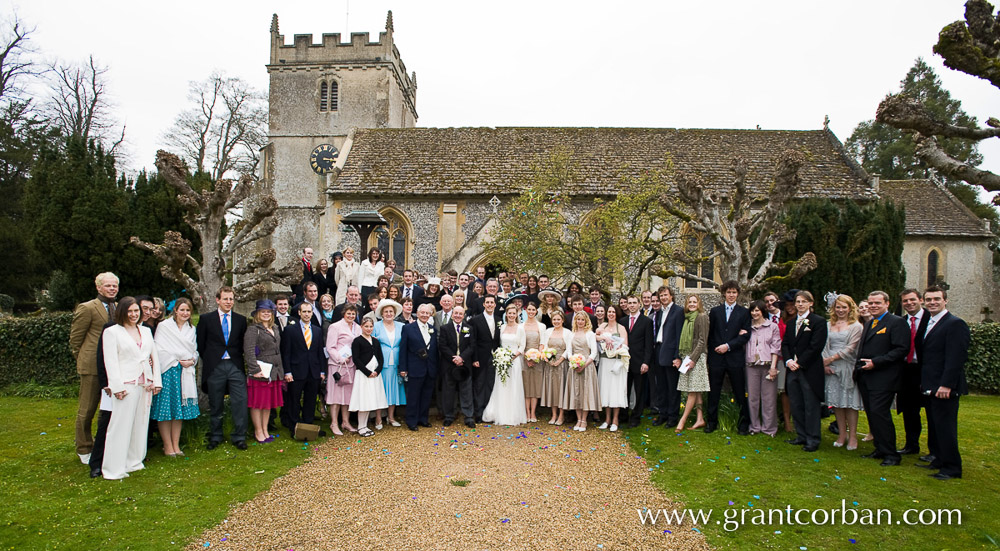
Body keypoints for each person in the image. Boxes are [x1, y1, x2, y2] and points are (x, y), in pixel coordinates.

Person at [101, 297, 162, 479]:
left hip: (145, 384)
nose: (134, 315)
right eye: (130, 311)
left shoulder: (146, 331)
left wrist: (156, 381)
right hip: (126, 384)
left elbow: (154, 357)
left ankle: (134, 461)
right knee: (120, 425)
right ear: (122, 312)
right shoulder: (113, 332)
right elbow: (110, 361)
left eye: (136, 311)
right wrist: (116, 386)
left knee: (140, 424)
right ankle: (113, 468)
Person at [916, 286, 969, 480]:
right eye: (929, 299)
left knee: (946, 427)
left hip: (944, 387)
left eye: (936, 299)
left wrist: (947, 385)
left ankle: (952, 467)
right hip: (930, 385)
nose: (932, 302)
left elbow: (955, 357)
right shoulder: (929, 322)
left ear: (945, 300)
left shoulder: (955, 324)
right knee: (935, 425)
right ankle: (938, 459)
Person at [854, 290, 909, 466]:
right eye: (871, 303)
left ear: (887, 303)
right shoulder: (871, 323)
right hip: (867, 376)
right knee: (872, 414)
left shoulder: (896, 322)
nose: (873, 306)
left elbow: (901, 350)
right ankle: (880, 448)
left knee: (880, 414)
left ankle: (892, 454)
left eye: (877, 303)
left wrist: (876, 363)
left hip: (884, 377)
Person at [69, 272, 118, 465]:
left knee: (109, 410)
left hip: (113, 366)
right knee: (87, 408)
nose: (112, 289)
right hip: (91, 366)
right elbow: (76, 339)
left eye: (114, 285)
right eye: (108, 286)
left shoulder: (118, 307)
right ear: (98, 287)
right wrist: (83, 360)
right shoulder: (88, 308)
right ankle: (84, 447)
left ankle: (104, 445)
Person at [196, 286, 249, 450]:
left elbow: (242, 343)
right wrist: (212, 359)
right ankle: (216, 435)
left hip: (235, 365)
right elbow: (201, 344)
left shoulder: (241, 320)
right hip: (215, 366)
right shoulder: (206, 319)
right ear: (218, 300)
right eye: (225, 299)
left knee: (239, 401)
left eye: (231, 299)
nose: (229, 302)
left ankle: (239, 436)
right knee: (216, 402)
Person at [151, 298, 200, 456]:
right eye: (182, 310)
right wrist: (178, 360)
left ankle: (176, 445)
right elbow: (158, 349)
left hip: (185, 373)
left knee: (179, 410)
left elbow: (194, 350)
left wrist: (192, 360)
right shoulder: (164, 327)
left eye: (188, 310)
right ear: (175, 311)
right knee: (166, 410)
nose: (185, 313)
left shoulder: (191, 329)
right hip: (168, 370)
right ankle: (167, 445)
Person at [781, 290, 828, 452]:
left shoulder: (818, 322)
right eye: (798, 302)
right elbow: (785, 344)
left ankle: (813, 439)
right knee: (796, 403)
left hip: (809, 369)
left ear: (811, 303)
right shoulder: (792, 322)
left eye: (803, 302)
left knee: (811, 405)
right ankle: (801, 435)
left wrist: (799, 363)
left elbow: (816, 346)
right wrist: (788, 361)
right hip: (792, 369)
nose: (800, 304)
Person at [706, 280, 752, 434]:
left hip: (734, 357)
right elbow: (710, 334)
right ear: (724, 294)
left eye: (734, 292)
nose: (731, 295)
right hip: (716, 358)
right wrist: (715, 349)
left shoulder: (744, 313)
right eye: (729, 292)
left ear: (738, 294)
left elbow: (745, 336)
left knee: (739, 391)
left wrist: (728, 346)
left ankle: (743, 423)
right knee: (714, 391)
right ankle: (711, 422)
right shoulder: (715, 311)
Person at [822, 294, 864, 450]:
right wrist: (825, 363)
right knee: (837, 402)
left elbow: (851, 348)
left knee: (850, 404)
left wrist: (831, 359)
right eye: (838, 307)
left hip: (847, 366)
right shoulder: (828, 325)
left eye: (844, 307)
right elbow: (824, 345)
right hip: (831, 368)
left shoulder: (856, 326)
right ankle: (842, 434)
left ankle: (853, 436)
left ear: (850, 308)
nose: (840, 310)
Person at [280, 300, 327, 436]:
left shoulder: (317, 331)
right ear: (299, 313)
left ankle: (308, 426)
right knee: (294, 400)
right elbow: (286, 353)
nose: (307, 314)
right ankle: (294, 426)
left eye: (309, 312)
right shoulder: (290, 330)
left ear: (312, 313)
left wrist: (322, 371)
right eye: (304, 311)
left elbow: (320, 352)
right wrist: (287, 371)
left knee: (310, 399)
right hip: (296, 371)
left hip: (313, 371)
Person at [244, 299, 287, 443]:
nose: (266, 314)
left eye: (268, 312)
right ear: (257, 313)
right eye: (263, 312)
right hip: (261, 370)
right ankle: (258, 431)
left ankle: (265, 429)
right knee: (258, 403)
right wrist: (255, 369)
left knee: (268, 403)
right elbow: (249, 351)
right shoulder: (253, 329)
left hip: (274, 371)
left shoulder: (274, 328)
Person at [483, 304, 528, 426]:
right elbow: (498, 343)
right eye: (509, 313)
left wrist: (513, 357)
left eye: (514, 313)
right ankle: (499, 412)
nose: (511, 315)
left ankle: (513, 414)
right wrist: (501, 356)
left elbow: (522, 346)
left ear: (517, 314)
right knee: (502, 386)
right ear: (506, 314)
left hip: (514, 361)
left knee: (513, 386)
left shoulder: (520, 328)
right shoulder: (502, 327)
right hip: (502, 361)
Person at [897, 288, 928, 457]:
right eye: (905, 301)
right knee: (909, 410)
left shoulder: (930, 320)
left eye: (912, 300)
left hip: (925, 369)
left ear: (920, 300)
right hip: (906, 370)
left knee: (931, 411)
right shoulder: (901, 322)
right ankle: (911, 445)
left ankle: (934, 450)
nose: (908, 303)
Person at [399, 303, 439, 431]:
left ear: (430, 314)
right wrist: (403, 368)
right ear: (417, 313)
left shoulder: (433, 329)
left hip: (430, 368)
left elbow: (434, 350)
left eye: (427, 313)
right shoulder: (408, 328)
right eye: (422, 312)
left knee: (426, 395)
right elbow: (403, 349)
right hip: (414, 367)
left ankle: (423, 419)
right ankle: (412, 421)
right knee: (413, 396)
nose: (425, 315)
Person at [744, 300, 782, 437]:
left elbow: (775, 347)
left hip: (767, 365)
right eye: (752, 310)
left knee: (769, 398)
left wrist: (773, 367)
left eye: (757, 310)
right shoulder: (747, 327)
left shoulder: (772, 327)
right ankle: (754, 426)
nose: (755, 313)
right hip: (751, 366)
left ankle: (769, 428)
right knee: (752, 398)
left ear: (762, 311)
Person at [675, 295, 710, 432]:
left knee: (692, 390)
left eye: (695, 302)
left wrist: (693, 359)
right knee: (696, 390)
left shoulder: (701, 317)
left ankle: (682, 420)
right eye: (690, 302)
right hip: (687, 355)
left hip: (697, 357)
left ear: (699, 304)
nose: (692, 304)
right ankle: (700, 419)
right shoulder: (687, 318)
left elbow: (702, 340)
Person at [438, 305, 476, 427]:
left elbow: (472, 346)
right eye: (456, 313)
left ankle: (468, 416)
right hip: (449, 364)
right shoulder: (445, 328)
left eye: (460, 314)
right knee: (449, 391)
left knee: (466, 390)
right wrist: (454, 358)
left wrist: (462, 358)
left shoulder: (469, 328)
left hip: (465, 364)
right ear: (452, 314)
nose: (458, 316)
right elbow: (442, 345)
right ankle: (449, 415)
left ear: (463, 315)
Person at [651, 286, 684, 427]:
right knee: (661, 386)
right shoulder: (658, 312)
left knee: (672, 388)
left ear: (671, 296)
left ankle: (672, 416)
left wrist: (678, 356)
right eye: (661, 296)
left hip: (671, 354)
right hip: (659, 350)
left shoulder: (678, 311)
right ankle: (662, 413)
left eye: (666, 295)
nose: (663, 298)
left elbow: (679, 336)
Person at [326, 304, 361, 435]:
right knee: (335, 395)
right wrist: (340, 358)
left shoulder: (358, 328)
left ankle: (345, 422)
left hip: (351, 365)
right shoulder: (335, 327)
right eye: (349, 313)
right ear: (343, 313)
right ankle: (334, 423)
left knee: (347, 396)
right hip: (337, 365)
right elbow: (330, 347)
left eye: (353, 314)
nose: (351, 316)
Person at [350, 318, 389, 437]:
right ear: (361, 327)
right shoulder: (357, 341)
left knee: (370, 399)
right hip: (363, 375)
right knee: (363, 400)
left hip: (375, 376)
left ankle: (365, 425)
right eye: (366, 326)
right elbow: (356, 359)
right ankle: (361, 426)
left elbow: (381, 358)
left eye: (371, 326)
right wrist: (367, 372)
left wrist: (377, 371)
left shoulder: (376, 341)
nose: (369, 329)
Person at [563, 311, 599, 431]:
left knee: (586, 393)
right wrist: (573, 362)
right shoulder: (571, 334)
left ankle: (584, 420)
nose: (580, 322)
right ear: (575, 321)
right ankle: (578, 419)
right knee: (576, 393)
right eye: (578, 319)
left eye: (582, 320)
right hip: (574, 367)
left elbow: (594, 352)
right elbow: (569, 351)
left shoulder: (590, 334)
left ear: (586, 321)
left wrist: (584, 365)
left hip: (587, 367)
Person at [764, 291, 793, 433]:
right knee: (769, 391)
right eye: (767, 302)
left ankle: (787, 421)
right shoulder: (762, 317)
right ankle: (770, 420)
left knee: (784, 390)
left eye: (772, 301)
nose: (770, 304)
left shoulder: (786, 317)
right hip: (765, 358)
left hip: (783, 358)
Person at [373, 299, 405, 427]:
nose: (388, 314)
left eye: (391, 311)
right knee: (381, 390)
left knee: (394, 389)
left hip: (397, 362)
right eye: (386, 311)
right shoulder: (376, 326)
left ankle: (391, 417)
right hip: (382, 363)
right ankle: (378, 418)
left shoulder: (401, 326)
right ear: (381, 313)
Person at [623, 295, 653, 428]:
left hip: (639, 362)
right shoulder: (622, 321)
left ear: (639, 304)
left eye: (634, 303)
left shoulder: (646, 321)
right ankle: (624, 414)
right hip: (624, 362)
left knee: (639, 391)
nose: (632, 305)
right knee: (625, 389)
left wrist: (646, 362)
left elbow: (649, 344)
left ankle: (636, 416)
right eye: (630, 303)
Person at [469, 295, 501, 422]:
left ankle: (489, 412)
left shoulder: (499, 320)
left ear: (495, 304)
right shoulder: (476, 320)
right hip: (480, 358)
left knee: (491, 384)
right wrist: (474, 358)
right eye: (487, 302)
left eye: (491, 302)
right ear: (483, 304)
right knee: (479, 385)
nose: (489, 304)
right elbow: (473, 341)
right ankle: (479, 412)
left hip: (494, 358)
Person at [597, 305, 628, 431]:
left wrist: (615, 346)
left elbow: (625, 345)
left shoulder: (620, 328)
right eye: (609, 311)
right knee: (606, 390)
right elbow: (594, 336)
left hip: (616, 362)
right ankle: (607, 418)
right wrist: (604, 338)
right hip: (604, 362)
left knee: (616, 390)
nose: (611, 314)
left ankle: (615, 419)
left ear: (617, 314)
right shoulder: (602, 327)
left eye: (613, 312)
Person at [541, 310, 572, 425]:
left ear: (563, 320)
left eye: (558, 319)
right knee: (552, 390)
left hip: (562, 364)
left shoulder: (568, 333)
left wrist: (560, 360)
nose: (556, 321)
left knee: (561, 390)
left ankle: (561, 415)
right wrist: (547, 358)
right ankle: (553, 414)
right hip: (550, 364)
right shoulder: (548, 331)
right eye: (554, 319)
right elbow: (544, 346)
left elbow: (569, 349)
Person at [521, 302, 545, 423]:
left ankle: (533, 412)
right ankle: (527, 412)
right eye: (529, 309)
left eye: (533, 310)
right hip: (524, 358)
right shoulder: (521, 326)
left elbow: (542, 343)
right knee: (526, 386)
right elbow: (520, 344)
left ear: (536, 311)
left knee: (535, 386)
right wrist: (527, 358)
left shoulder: (541, 326)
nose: (531, 312)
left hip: (537, 359)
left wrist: (536, 357)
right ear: (526, 311)